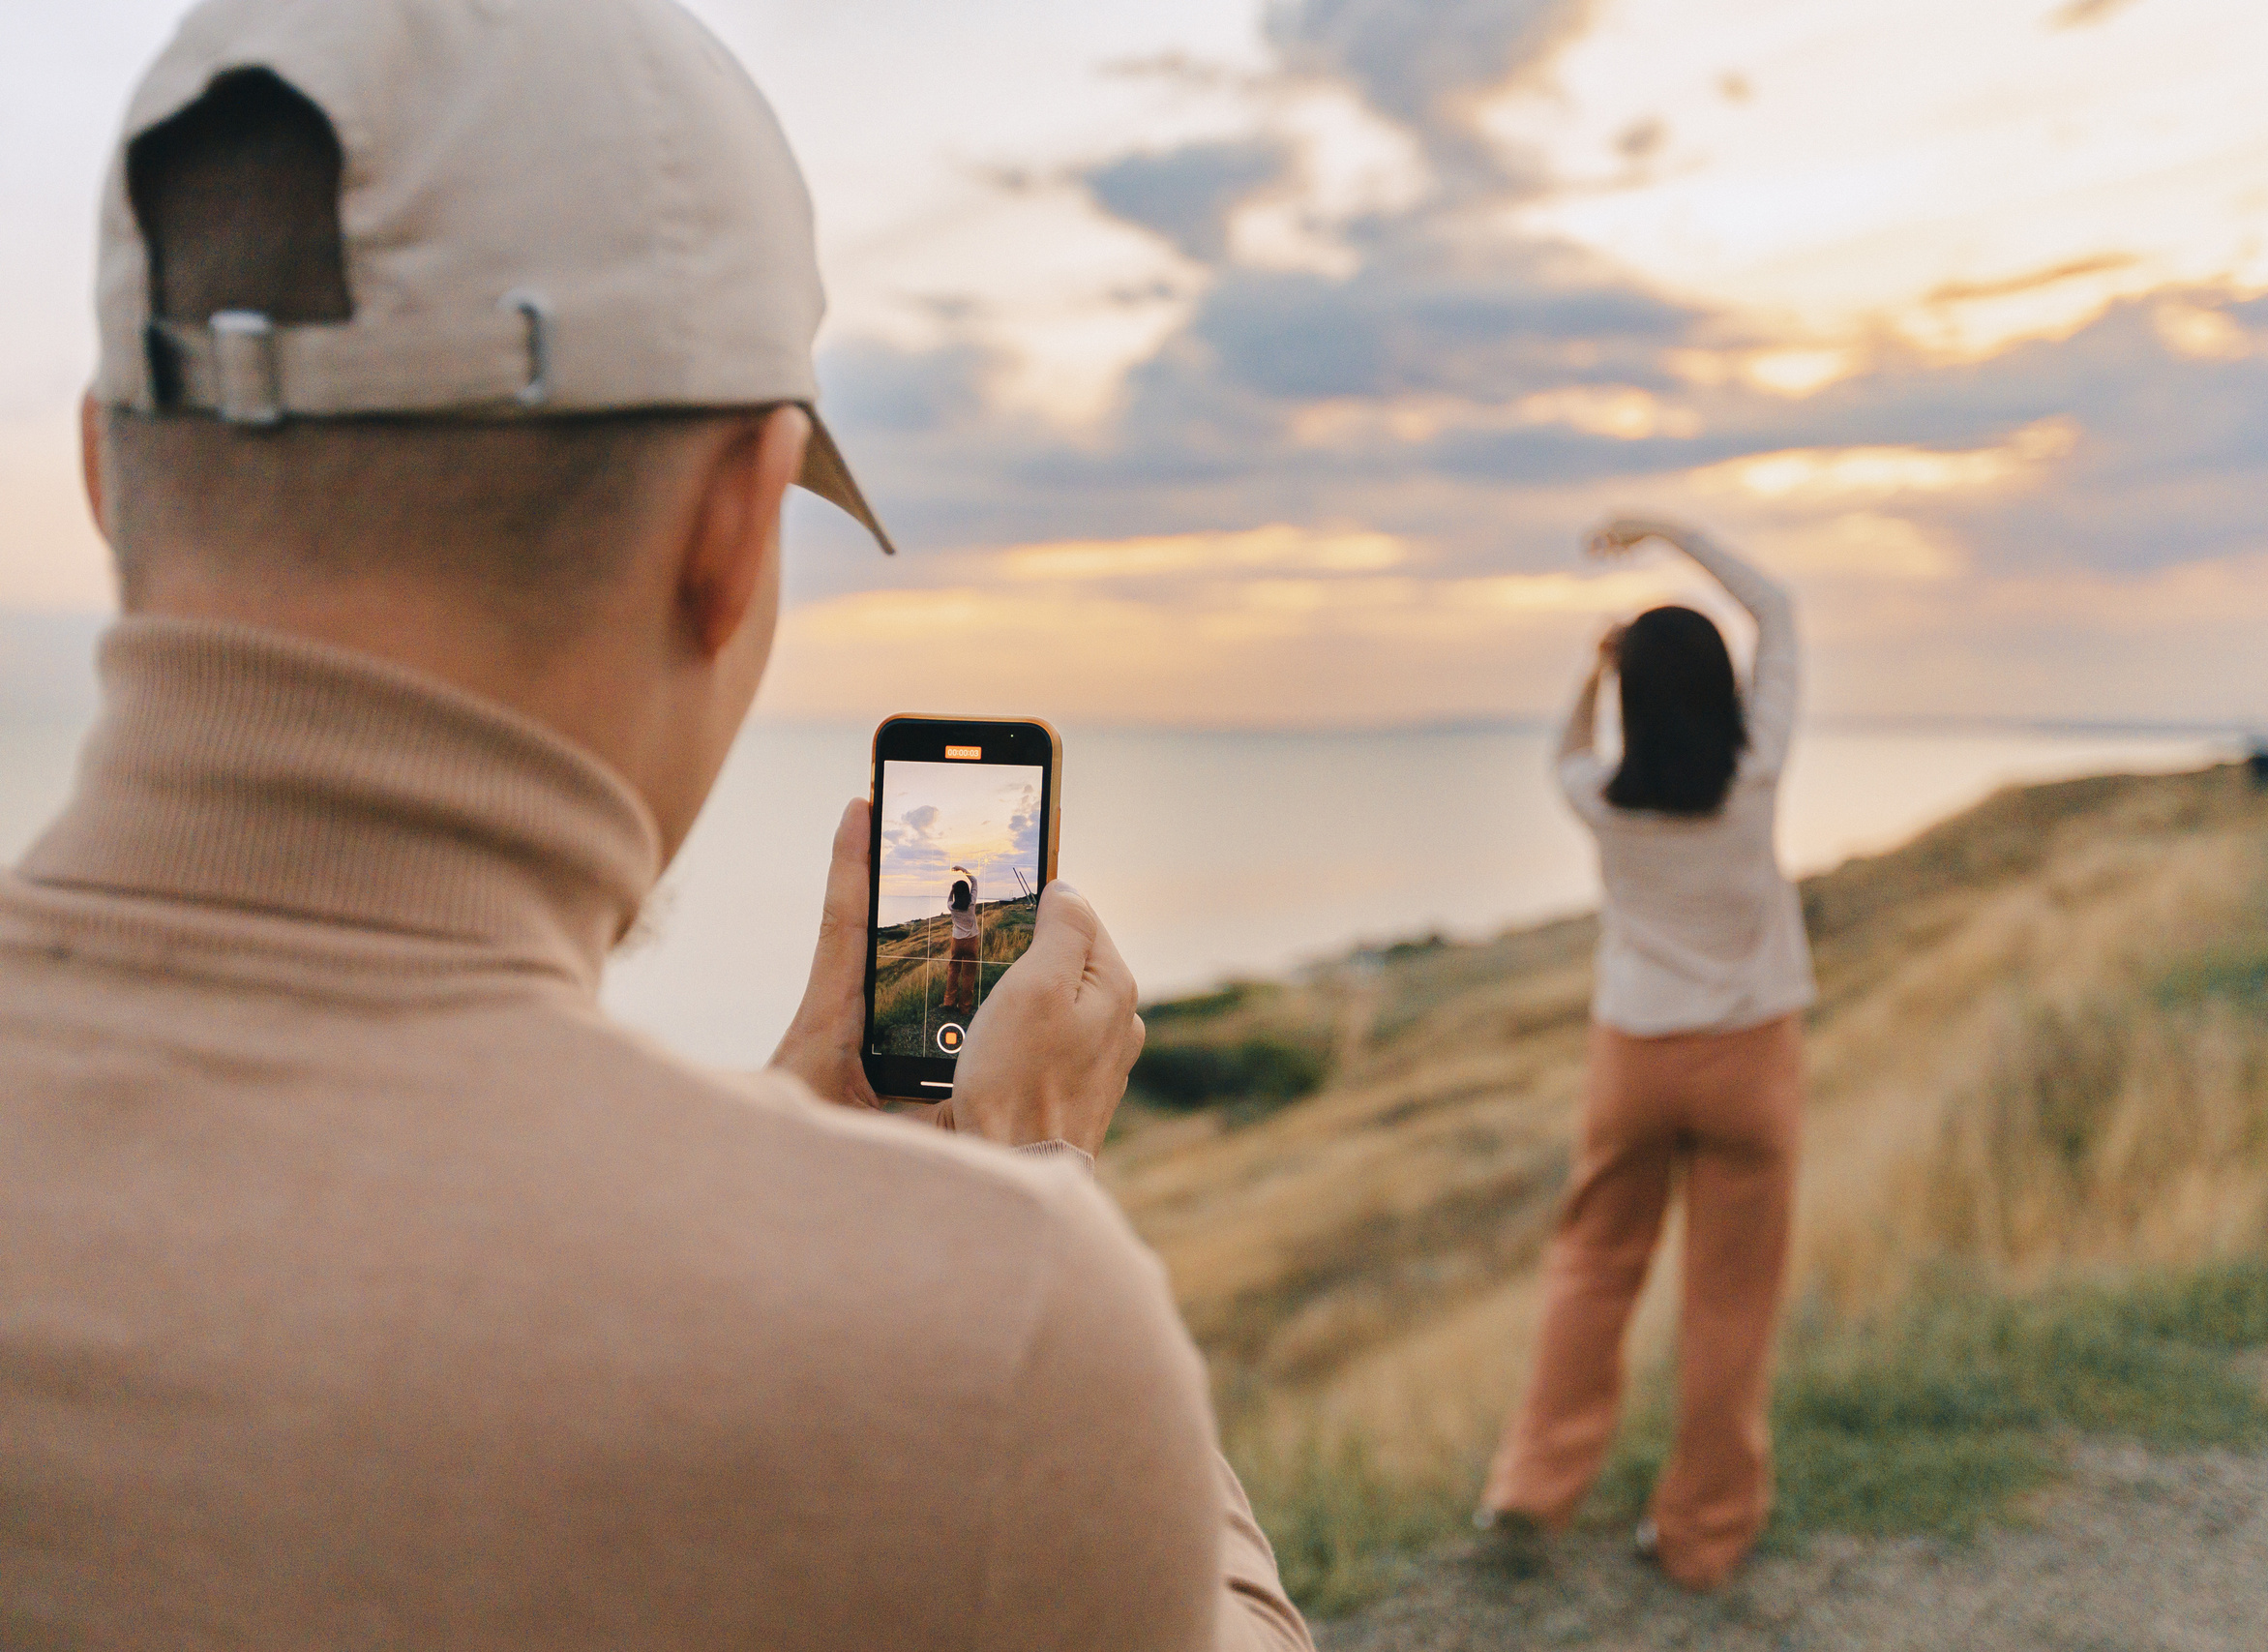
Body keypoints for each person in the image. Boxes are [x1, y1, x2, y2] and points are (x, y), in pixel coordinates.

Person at [0, 4, 1311, 1649]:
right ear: (732, 532)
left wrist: (767, 1140)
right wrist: (1033, 1182)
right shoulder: (995, 1334)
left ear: (105, 477)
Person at [1474, 517, 1813, 1592]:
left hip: (1634, 1059)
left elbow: (1566, 751)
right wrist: (1668, 532)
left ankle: (1531, 1490)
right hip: (1749, 1058)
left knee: (1592, 1267)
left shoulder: (1603, 803)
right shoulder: (1754, 776)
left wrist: (1596, 670)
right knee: (1729, 1298)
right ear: (1721, 690)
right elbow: (1777, 608)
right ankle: (1702, 1533)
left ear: (1633, 699)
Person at [943, 864, 982, 1010]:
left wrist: (952, 890)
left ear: (955, 893)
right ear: (967, 892)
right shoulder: (971, 904)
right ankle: (965, 1007)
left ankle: (949, 1001)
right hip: (971, 941)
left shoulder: (951, 907)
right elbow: (974, 881)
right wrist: (962, 869)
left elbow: (949, 900)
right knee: (968, 974)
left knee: (953, 970)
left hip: (957, 941)